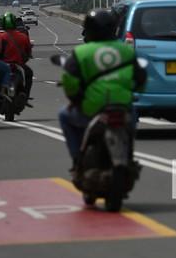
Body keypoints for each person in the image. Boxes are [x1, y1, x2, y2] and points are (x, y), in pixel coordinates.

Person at [57, 9, 146, 166]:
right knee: (132, 114)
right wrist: (133, 91)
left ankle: (77, 158)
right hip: (122, 107)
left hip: (91, 109)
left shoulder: (81, 52)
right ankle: (128, 155)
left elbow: (69, 81)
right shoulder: (126, 50)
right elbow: (141, 78)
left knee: (64, 115)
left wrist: (75, 99)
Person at [0, 12, 34, 99]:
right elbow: (28, 52)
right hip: (18, 65)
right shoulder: (23, 36)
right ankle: (26, 95)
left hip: (2, 65)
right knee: (29, 73)